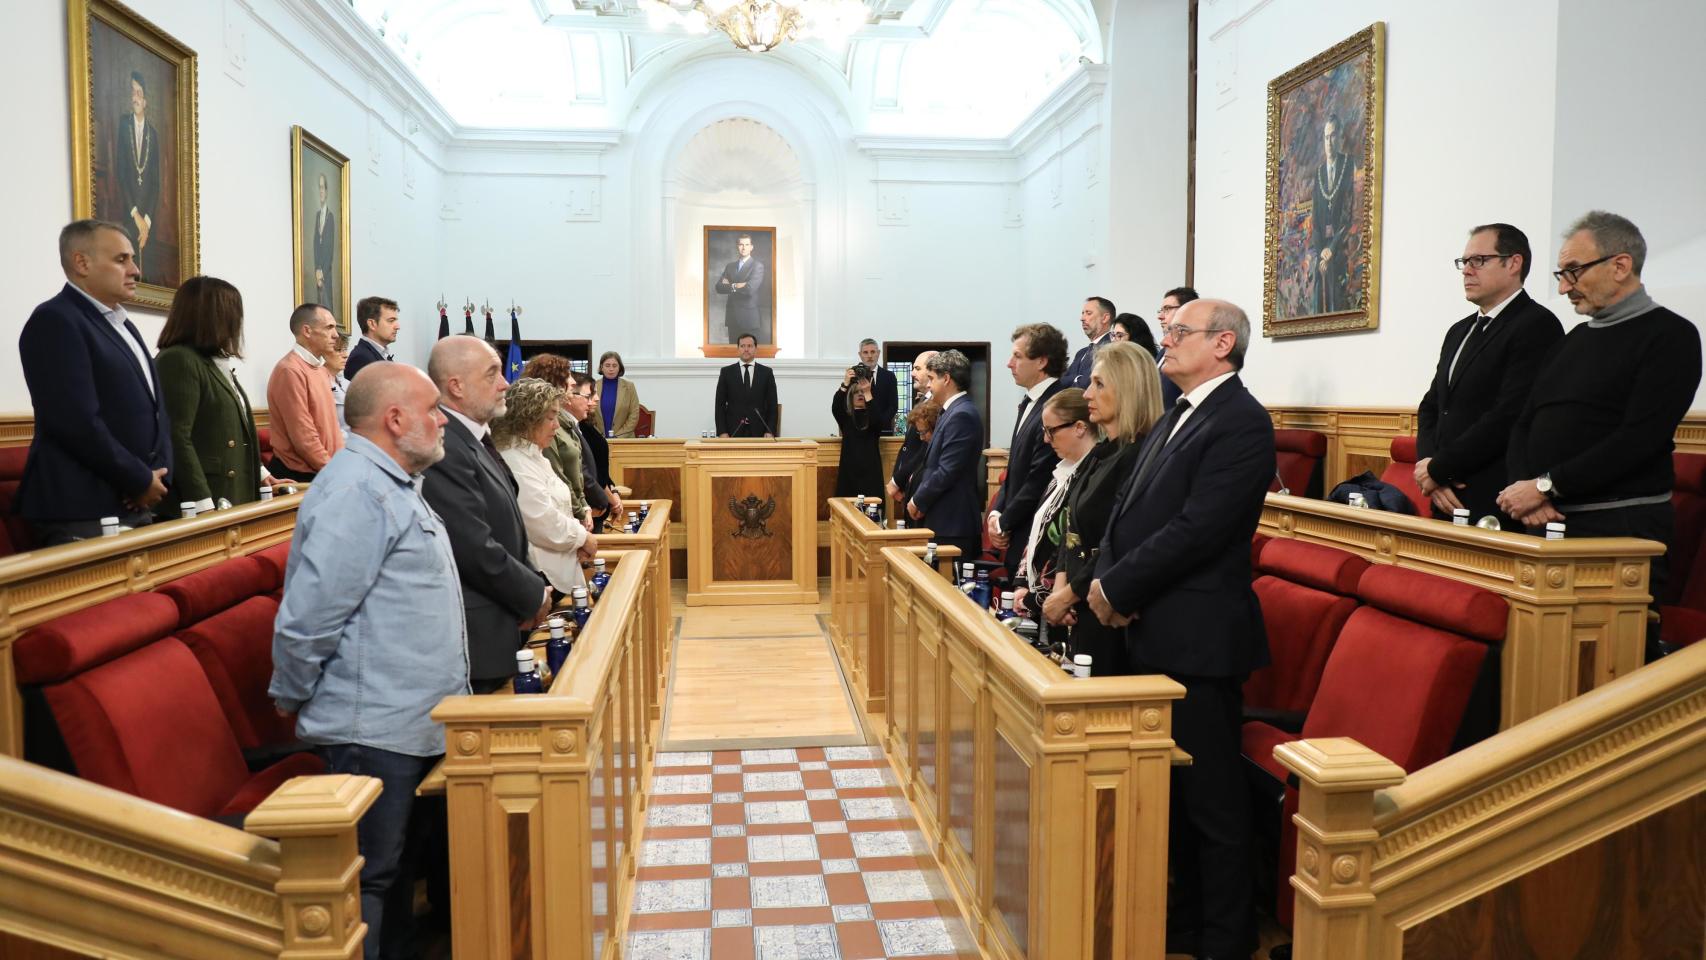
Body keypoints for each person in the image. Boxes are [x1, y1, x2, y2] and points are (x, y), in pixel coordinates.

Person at [1089, 299, 1274, 959]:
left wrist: (1117, 585)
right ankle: (1189, 921)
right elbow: (1128, 510)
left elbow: (1200, 528)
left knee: (1212, 803)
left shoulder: (1243, 423)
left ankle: (1228, 937)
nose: (1164, 341)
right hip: (1155, 628)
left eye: (1178, 332)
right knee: (1173, 797)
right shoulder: (1180, 413)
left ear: (1222, 343)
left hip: (1198, 638)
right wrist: (1107, 577)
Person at [269, 362, 468, 960]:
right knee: (373, 879)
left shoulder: (391, 482)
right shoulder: (356, 489)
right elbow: (310, 617)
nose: (441, 423)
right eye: (432, 411)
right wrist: (293, 695)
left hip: (408, 720)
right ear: (395, 418)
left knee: (399, 876)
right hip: (372, 726)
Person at [1499, 211, 1701, 656]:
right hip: (1543, 520)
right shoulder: (1572, 340)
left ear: (1620, 265)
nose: (1564, 286)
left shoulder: (1671, 336)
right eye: (1562, 273)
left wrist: (1545, 485)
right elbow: (1524, 422)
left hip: (1618, 529)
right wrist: (1526, 489)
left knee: (1602, 661)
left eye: (1573, 271)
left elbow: (1638, 439)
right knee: (1532, 658)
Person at [18, 219, 171, 544]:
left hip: (134, 501)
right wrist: (138, 478)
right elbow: (76, 422)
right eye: (121, 259)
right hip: (82, 507)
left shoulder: (123, 325)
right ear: (82, 263)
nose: (135, 270)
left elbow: (156, 413)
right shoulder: (55, 320)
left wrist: (154, 478)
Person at [421, 335, 552, 693]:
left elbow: (508, 523)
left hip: (501, 622)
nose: (505, 383)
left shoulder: (474, 438)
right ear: (456, 386)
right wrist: (533, 593)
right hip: (478, 634)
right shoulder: (446, 446)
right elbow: (472, 545)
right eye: (492, 373)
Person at [1416, 224, 1563, 528]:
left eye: (1478, 261)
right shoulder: (1459, 330)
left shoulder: (1536, 325)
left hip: (1494, 496)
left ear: (1513, 263)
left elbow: (1508, 415)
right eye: (1464, 262)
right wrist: (1429, 470)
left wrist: (1439, 469)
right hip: (1444, 493)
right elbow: (1432, 406)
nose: (1466, 271)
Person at [1042, 342, 1162, 677]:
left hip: (1105, 603)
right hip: (1080, 601)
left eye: (1099, 384)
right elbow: (1071, 526)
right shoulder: (1102, 452)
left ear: (1127, 389)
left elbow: (1117, 539)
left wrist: (1069, 595)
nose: (1086, 395)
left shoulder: (1136, 456)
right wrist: (1061, 588)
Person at [155, 275, 264, 512]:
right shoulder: (179, 359)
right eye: (233, 312)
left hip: (232, 490)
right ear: (212, 316)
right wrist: (202, 500)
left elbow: (236, 429)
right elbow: (176, 436)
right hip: (207, 498)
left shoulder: (213, 361)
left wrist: (262, 473)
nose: (238, 322)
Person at [491, 378, 597, 596]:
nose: (556, 425)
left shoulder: (536, 456)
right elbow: (542, 522)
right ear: (527, 419)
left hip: (563, 570)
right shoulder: (514, 460)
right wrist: (582, 537)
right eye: (550, 418)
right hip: (545, 577)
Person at [1007, 388, 1093, 634]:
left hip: (1065, 604)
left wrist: (1040, 596)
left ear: (1079, 427)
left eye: (1050, 431)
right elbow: (1039, 529)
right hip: (1041, 599)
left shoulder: (1089, 475)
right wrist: (1022, 583)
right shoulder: (1060, 472)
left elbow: (1067, 542)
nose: (1046, 439)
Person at [988, 323, 1068, 575]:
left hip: (1034, 533)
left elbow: (1039, 477)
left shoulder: (1056, 403)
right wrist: (997, 515)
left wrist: (1004, 522)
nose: (1009, 363)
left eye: (1018, 356)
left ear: (1042, 361)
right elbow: (1013, 471)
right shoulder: (1030, 402)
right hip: (1016, 530)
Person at [907, 349, 984, 561]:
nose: (928, 385)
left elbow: (947, 469)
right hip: (944, 518)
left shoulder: (962, 414)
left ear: (947, 378)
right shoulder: (949, 411)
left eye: (931, 378)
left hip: (954, 522)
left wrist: (918, 500)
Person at [265, 304, 344, 481]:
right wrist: (335, 472)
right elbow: (304, 437)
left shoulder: (321, 369)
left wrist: (340, 465)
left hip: (324, 470)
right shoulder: (290, 370)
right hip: (299, 475)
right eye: (329, 327)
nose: (336, 335)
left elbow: (332, 428)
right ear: (307, 331)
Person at [520, 354, 598, 528]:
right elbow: (558, 472)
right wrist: (580, 510)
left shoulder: (563, 419)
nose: (572, 382)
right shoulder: (543, 422)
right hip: (562, 513)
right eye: (568, 376)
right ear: (554, 381)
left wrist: (584, 505)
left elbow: (576, 469)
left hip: (574, 510)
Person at [115, 72, 162, 283]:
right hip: (129, 212)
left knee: (146, 272)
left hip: (148, 219)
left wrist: (147, 222)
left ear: (145, 101)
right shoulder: (124, 126)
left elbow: (155, 183)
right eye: (132, 92)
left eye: (139, 93)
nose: (135, 97)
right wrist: (135, 215)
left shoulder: (154, 134)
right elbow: (122, 172)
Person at [1312, 113, 1354, 315]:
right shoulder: (1319, 173)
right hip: (1322, 247)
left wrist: (1332, 249)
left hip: (1340, 243)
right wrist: (1321, 250)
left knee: (1336, 280)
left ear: (1340, 138)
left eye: (1333, 136)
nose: (1329, 142)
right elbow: (1315, 220)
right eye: (1326, 137)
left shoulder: (1347, 165)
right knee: (1318, 277)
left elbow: (1347, 213)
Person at [571, 372, 623, 532]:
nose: (596, 398)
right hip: (589, 508)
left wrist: (613, 490)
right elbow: (586, 474)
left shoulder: (585, 424)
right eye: (590, 394)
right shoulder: (576, 427)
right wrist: (608, 500)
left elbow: (600, 469)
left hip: (596, 506)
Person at [887, 350, 937, 507]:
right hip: (911, 482)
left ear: (931, 371)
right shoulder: (922, 400)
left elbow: (924, 449)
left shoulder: (936, 403)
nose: (912, 373)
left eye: (917, 368)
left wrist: (897, 480)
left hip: (922, 483)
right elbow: (908, 446)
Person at [832, 361, 886, 498]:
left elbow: (879, 422)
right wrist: (845, 384)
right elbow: (836, 406)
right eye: (856, 392)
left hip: (870, 470)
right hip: (849, 469)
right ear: (851, 396)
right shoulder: (846, 417)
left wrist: (868, 392)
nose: (860, 394)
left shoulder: (872, 415)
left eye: (862, 392)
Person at [714, 333, 779, 438]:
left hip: (760, 432)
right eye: (742, 346)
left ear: (755, 349)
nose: (746, 349)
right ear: (738, 349)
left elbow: (772, 406)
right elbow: (719, 405)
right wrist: (722, 432)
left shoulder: (766, 372)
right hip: (732, 431)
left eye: (750, 346)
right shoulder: (726, 372)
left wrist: (770, 430)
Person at [715, 233, 766, 344]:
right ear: (737, 246)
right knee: (733, 354)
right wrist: (737, 285)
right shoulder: (730, 266)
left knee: (749, 355)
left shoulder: (757, 266)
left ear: (751, 247)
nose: (744, 247)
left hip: (749, 319)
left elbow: (750, 288)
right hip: (732, 317)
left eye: (747, 244)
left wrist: (729, 285)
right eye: (741, 244)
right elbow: (719, 287)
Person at [1154, 286, 1197, 407]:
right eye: (1161, 310)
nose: (1160, 316)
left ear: (1186, 310)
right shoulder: (1163, 351)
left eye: (1167, 309)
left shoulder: (1191, 353)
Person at [1061, 296, 1115, 388]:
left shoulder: (1111, 349)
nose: (1082, 318)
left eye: (1088, 313)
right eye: (1082, 313)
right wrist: (1077, 378)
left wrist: (1072, 379)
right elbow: (1062, 382)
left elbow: (1088, 383)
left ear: (1105, 318)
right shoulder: (1081, 353)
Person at [345, 296, 399, 381]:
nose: (397, 327)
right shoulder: (360, 358)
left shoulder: (381, 354)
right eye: (391, 321)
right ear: (372, 324)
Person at [854, 338, 900, 434]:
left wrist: (880, 423)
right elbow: (848, 404)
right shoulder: (853, 376)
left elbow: (893, 406)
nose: (869, 356)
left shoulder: (889, 376)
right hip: (859, 429)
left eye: (873, 352)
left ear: (878, 353)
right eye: (865, 352)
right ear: (860, 355)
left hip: (883, 430)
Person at [592, 351, 640, 439]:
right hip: (598, 439)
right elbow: (588, 414)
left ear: (619, 368)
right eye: (607, 365)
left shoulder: (629, 387)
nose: (611, 369)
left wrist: (618, 437)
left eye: (614, 365)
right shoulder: (593, 386)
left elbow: (634, 414)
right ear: (601, 367)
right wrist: (598, 436)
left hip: (624, 440)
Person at [312, 173, 337, 309]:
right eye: (319, 188)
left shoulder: (330, 217)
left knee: (327, 309)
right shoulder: (317, 216)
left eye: (323, 188)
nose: (321, 191)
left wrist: (322, 273)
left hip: (326, 273)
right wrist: (316, 269)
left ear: (326, 192)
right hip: (319, 273)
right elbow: (315, 245)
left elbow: (329, 249)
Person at [327, 333, 352, 437]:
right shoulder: (319, 384)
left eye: (345, 349)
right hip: (342, 445)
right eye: (338, 350)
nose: (346, 355)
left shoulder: (347, 382)